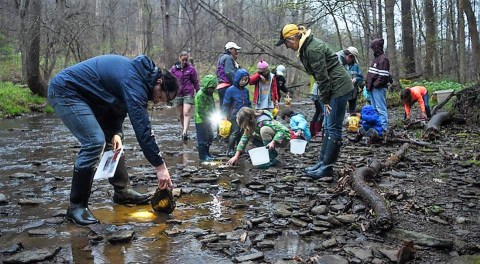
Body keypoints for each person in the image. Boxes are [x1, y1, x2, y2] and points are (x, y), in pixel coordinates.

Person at [47, 54, 179, 226]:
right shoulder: (135, 81)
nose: (157, 102)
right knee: (94, 142)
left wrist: (115, 130)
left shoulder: (139, 78)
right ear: (159, 83)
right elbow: (143, 129)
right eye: (161, 97)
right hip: (66, 91)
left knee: (116, 140)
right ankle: (76, 207)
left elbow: (116, 105)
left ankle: (122, 192)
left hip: (91, 98)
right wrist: (160, 167)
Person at [275, 24, 353, 179]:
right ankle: (321, 162)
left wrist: (324, 100)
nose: (287, 47)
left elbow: (322, 77)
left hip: (338, 87)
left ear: (293, 38)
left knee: (333, 128)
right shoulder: (306, 47)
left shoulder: (312, 49)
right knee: (327, 126)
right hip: (333, 87)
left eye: (286, 43)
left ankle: (327, 167)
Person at [170, 51, 200, 141]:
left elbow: (195, 82)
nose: (184, 62)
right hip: (178, 94)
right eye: (183, 60)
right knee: (180, 114)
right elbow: (169, 80)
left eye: (186, 60)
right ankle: (184, 129)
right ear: (179, 59)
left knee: (186, 112)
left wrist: (198, 92)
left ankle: (184, 132)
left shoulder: (191, 69)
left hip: (188, 93)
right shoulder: (174, 69)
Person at [221, 69, 252, 157]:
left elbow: (248, 102)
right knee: (235, 132)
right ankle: (230, 149)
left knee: (243, 132)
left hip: (245, 115)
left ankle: (240, 149)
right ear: (237, 79)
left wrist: (250, 112)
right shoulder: (230, 90)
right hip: (234, 115)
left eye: (246, 80)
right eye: (242, 80)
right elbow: (226, 104)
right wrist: (225, 115)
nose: (243, 82)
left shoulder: (245, 91)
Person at [365, 38, 390, 132]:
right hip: (372, 88)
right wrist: (368, 85)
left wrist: (375, 85)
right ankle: (377, 128)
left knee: (381, 109)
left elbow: (383, 76)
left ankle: (383, 128)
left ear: (377, 47)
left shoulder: (384, 59)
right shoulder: (376, 59)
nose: (372, 49)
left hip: (378, 88)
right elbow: (372, 74)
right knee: (374, 109)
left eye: (373, 47)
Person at [194, 75, 218, 161]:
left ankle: (207, 153)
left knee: (210, 136)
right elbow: (200, 109)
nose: (211, 90)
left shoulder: (210, 94)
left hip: (208, 119)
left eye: (213, 88)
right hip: (201, 120)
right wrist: (206, 117)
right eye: (210, 88)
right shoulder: (200, 95)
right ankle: (203, 156)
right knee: (203, 138)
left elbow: (212, 105)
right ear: (206, 86)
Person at [336, 46, 364, 114]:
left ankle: (352, 122)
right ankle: (344, 121)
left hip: (353, 92)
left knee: (352, 110)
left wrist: (356, 79)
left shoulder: (356, 66)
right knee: (342, 108)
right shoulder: (341, 64)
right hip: (344, 92)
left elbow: (360, 78)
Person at [216, 42, 241, 107]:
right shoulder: (228, 58)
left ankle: (222, 117)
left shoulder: (221, 58)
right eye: (235, 50)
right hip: (227, 86)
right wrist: (236, 84)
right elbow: (229, 72)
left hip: (221, 86)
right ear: (230, 49)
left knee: (223, 107)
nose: (236, 52)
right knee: (229, 108)